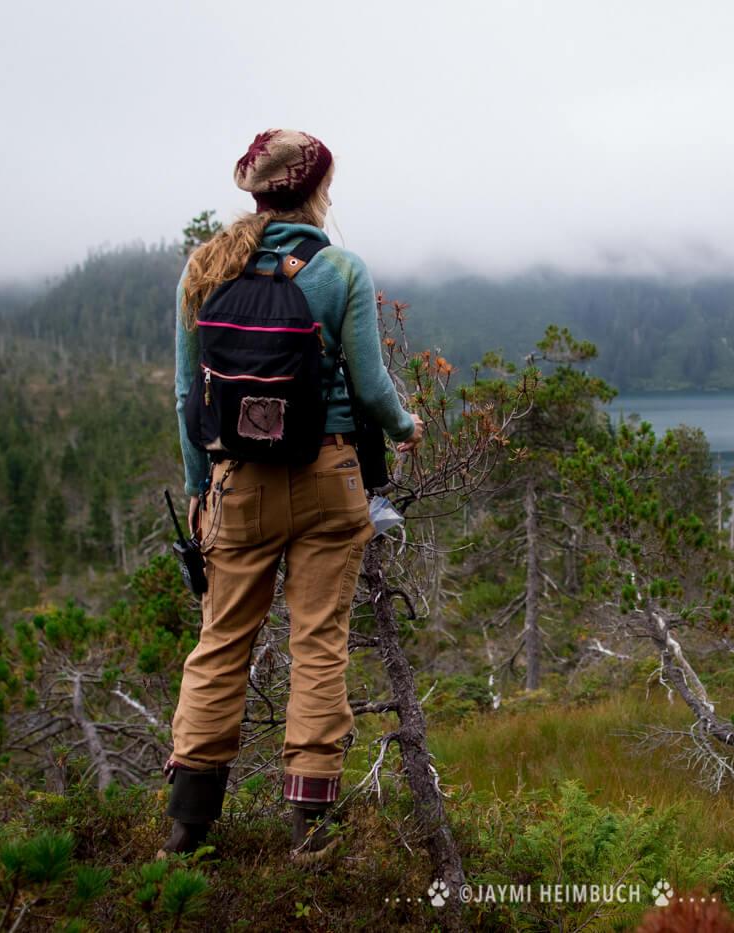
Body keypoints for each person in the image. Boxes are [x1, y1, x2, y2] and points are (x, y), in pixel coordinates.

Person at [161, 128, 424, 862]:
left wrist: (196, 485)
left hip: (235, 482)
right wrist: (406, 427)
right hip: (328, 478)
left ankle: (187, 828)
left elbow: (189, 393)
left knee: (220, 644)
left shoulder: (204, 268)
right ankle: (310, 826)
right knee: (318, 643)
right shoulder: (339, 269)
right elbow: (371, 388)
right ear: (311, 189)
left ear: (255, 187)